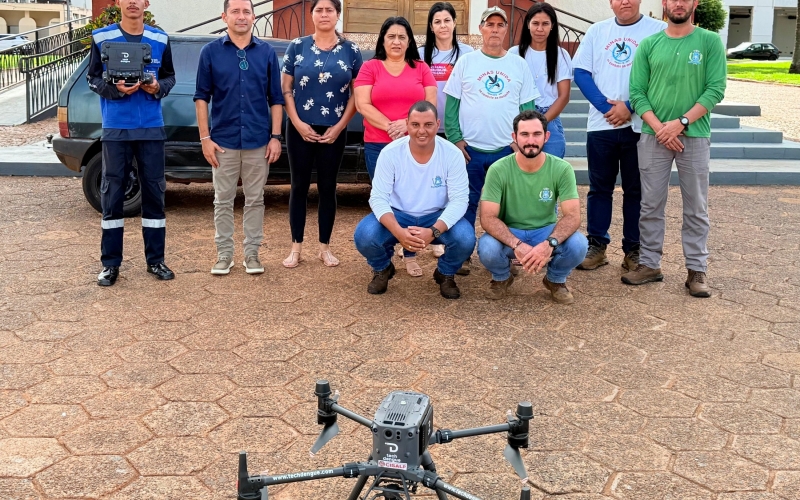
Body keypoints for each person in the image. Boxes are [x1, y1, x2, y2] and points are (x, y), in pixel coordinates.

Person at [624, 0, 726, 297]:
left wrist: (680, 123)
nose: (678, 3)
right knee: (650, 204)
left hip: (694, 135)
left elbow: (715, 88)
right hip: (653, 135)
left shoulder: (709, 42)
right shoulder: (649, 44)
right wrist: (661, 128)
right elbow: (637, 92)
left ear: (694, 3)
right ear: (665, 4)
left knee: (696, 206)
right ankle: (650, 264)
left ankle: (696, 270)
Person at [443, 6, 540, 276]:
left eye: (500, 25)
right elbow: (452, 105)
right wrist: (456, 139)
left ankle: (506, 254)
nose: (495, 29)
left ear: (506, 29)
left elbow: (527, 108)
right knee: (465, 203)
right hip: (470, 151)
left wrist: (520, 144)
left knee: (506, 206)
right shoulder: (467, 62)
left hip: (505, 153)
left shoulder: (518, 65)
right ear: (481, 29)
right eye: (490, 24)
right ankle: (461, 254)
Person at [572, 0, 666, 272]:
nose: (625, 1)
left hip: (641, 125)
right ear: (610, 2)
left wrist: (630, 107)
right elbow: (581, 73)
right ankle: (597, 245)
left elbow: (659, 76)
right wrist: (606, 107)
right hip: (602, 126)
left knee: (636, 190)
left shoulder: (657, 30)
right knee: (599, 188)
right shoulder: (597, 31)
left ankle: (634, 249)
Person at [88, 0, 176, 286]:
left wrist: (157, 88)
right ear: (118, 2)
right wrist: (114, 90)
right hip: (116, 128)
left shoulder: (160, 38)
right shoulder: (102, 37)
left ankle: (156, 261)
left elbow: (169, 77)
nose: (133, 2)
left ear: (146, 2)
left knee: (154, 194)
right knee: (112, 195)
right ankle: (110, 264)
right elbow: (92, 78)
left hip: (151, 128)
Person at [194, 0, 284, 276]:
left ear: (254, 17)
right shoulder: (210, 52)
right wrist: (205, 138)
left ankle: (252, 254)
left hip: (258, 142)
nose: (241, 16)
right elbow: (201, 98)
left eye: (246, 12)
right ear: (224, 17)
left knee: (255, 200)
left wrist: (276, 137)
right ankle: (224, 255)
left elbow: (276, 99)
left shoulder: (267, 53)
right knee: (222, 200)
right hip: (223, 142)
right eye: (235, 11)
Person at [353, 101, 474, 299]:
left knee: (466, 239)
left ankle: (445, 273)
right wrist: (398, 232)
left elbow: (460, 200)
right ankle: (382, 268)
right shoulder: (390, 153)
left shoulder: (452, 154)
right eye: (415, 125)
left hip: (436, 215)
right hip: (398, 214)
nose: (422, 131)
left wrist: (433, 231)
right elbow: (378, 198)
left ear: (437, 124)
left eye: (428, 124)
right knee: (364, 236)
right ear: (407, 124)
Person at [280, 0, 362, 269]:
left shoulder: (351, 50)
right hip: (299, 129)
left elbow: (357, 95)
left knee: (328, 187)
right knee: (299, 186)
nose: (324, 14)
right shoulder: (297, 46)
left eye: (330, 10)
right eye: (319, 10)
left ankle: (324, 247)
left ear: (338, 15)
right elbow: (286, 89)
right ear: (312, 14)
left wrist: (339, 128)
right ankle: (296, 247)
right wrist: (297, 122)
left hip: (334, 131)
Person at [354, 16, 437, 277]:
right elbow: (362, 104)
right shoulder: (370, 67)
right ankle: (386, 255)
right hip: (379, 145)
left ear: (410, 41)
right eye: (391, 36)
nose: (397, 41)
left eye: (402, 37)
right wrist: (393, 125)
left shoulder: (421, 68)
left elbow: (431, 102)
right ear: (383, 40)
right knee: (386, 200)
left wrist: (406, 125)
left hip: (418, 145)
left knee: (413, 201)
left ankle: (410, 253)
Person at [477, 110, 587, 304]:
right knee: (486, 247)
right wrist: (517, 245)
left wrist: (549, 244)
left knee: (579, 244)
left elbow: (573, 216)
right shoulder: (498, 169)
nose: (531, 140)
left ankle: (555, 280)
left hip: (544, 232)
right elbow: (487, 217)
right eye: (524, 134)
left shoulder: (562, 168)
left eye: (537, 134)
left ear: (546, 136)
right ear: (514, 137)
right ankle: (502, 277)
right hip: (510, 231)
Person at [420, 2, 473, 260]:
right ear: (431, 26)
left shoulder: (468, 54)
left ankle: (440, 235)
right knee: (427, 184)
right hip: (426, 130)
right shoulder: (420, 54)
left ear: (454, 23)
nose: (442, 25)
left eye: (447, 20)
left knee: (449, 186)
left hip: (456, 131)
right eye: (437, 21)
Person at [509, 2, 572, 158]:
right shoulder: (514, 54)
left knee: (552, 171)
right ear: (528, 25)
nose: (539, 28)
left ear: (552, 26)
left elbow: (563, 96)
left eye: (545, 24)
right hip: (519, 116)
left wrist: (541, 121)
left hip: (549, 117)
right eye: (535, 23)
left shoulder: (561, 55)